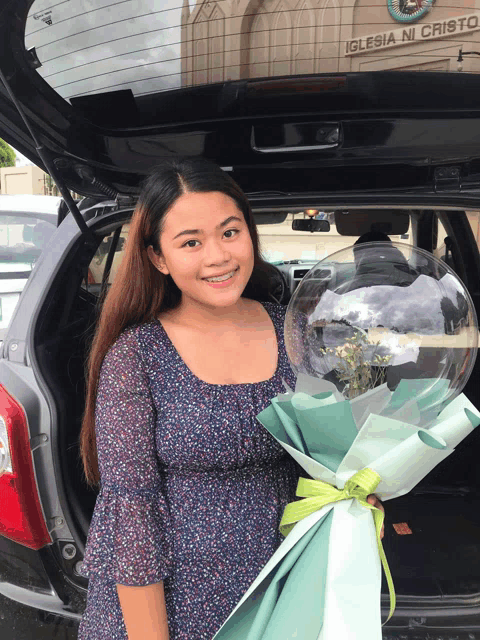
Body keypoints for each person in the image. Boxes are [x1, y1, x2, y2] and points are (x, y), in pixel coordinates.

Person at [78, 157, 382, 640]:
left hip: (286, 587)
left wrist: (364, 493)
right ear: (159, 258)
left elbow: (338, 457)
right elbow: (131, 516)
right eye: (190, 242)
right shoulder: (136, 356)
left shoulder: (296, 330)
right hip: (174, 608)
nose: (218, 256)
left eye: (229, 232)